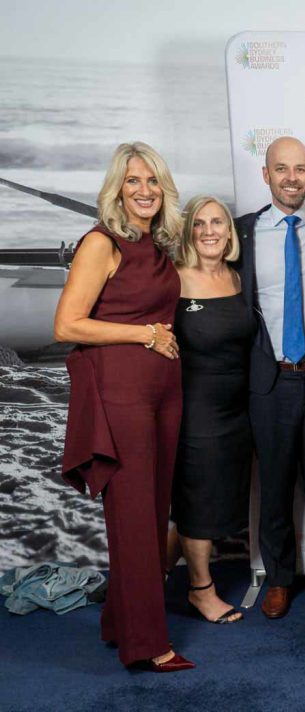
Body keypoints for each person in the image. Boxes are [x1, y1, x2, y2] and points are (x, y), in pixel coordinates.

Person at [55, 141, 193, 672]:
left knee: (152, 513)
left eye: (153, 180)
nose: (144, 190)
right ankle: (148, 644)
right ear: (116, 189)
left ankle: (119, 622)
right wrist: (145, 335)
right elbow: (67, 324)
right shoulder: (101, 242)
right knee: (134, 516)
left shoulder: (157, 246)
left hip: (164, 392)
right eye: (133, 180)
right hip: (122, 393)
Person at [234, 136, 305, 620]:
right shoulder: (243, 233)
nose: (292, 178)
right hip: (271, 380)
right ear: (266, 175)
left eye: (300, 169)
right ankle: (278, 578)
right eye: (282, 168)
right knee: (274, 485)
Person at [172, 195, 257, 626]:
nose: (209, 231)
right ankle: (200, 590)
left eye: (217, 222)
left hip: (238, 408)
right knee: (199, 498)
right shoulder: (174, 280)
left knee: (217, 496)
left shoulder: (239, 278)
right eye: (199, 223)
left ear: (230, 231)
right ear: (188, 232)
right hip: (195, 407)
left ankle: (152, 571)